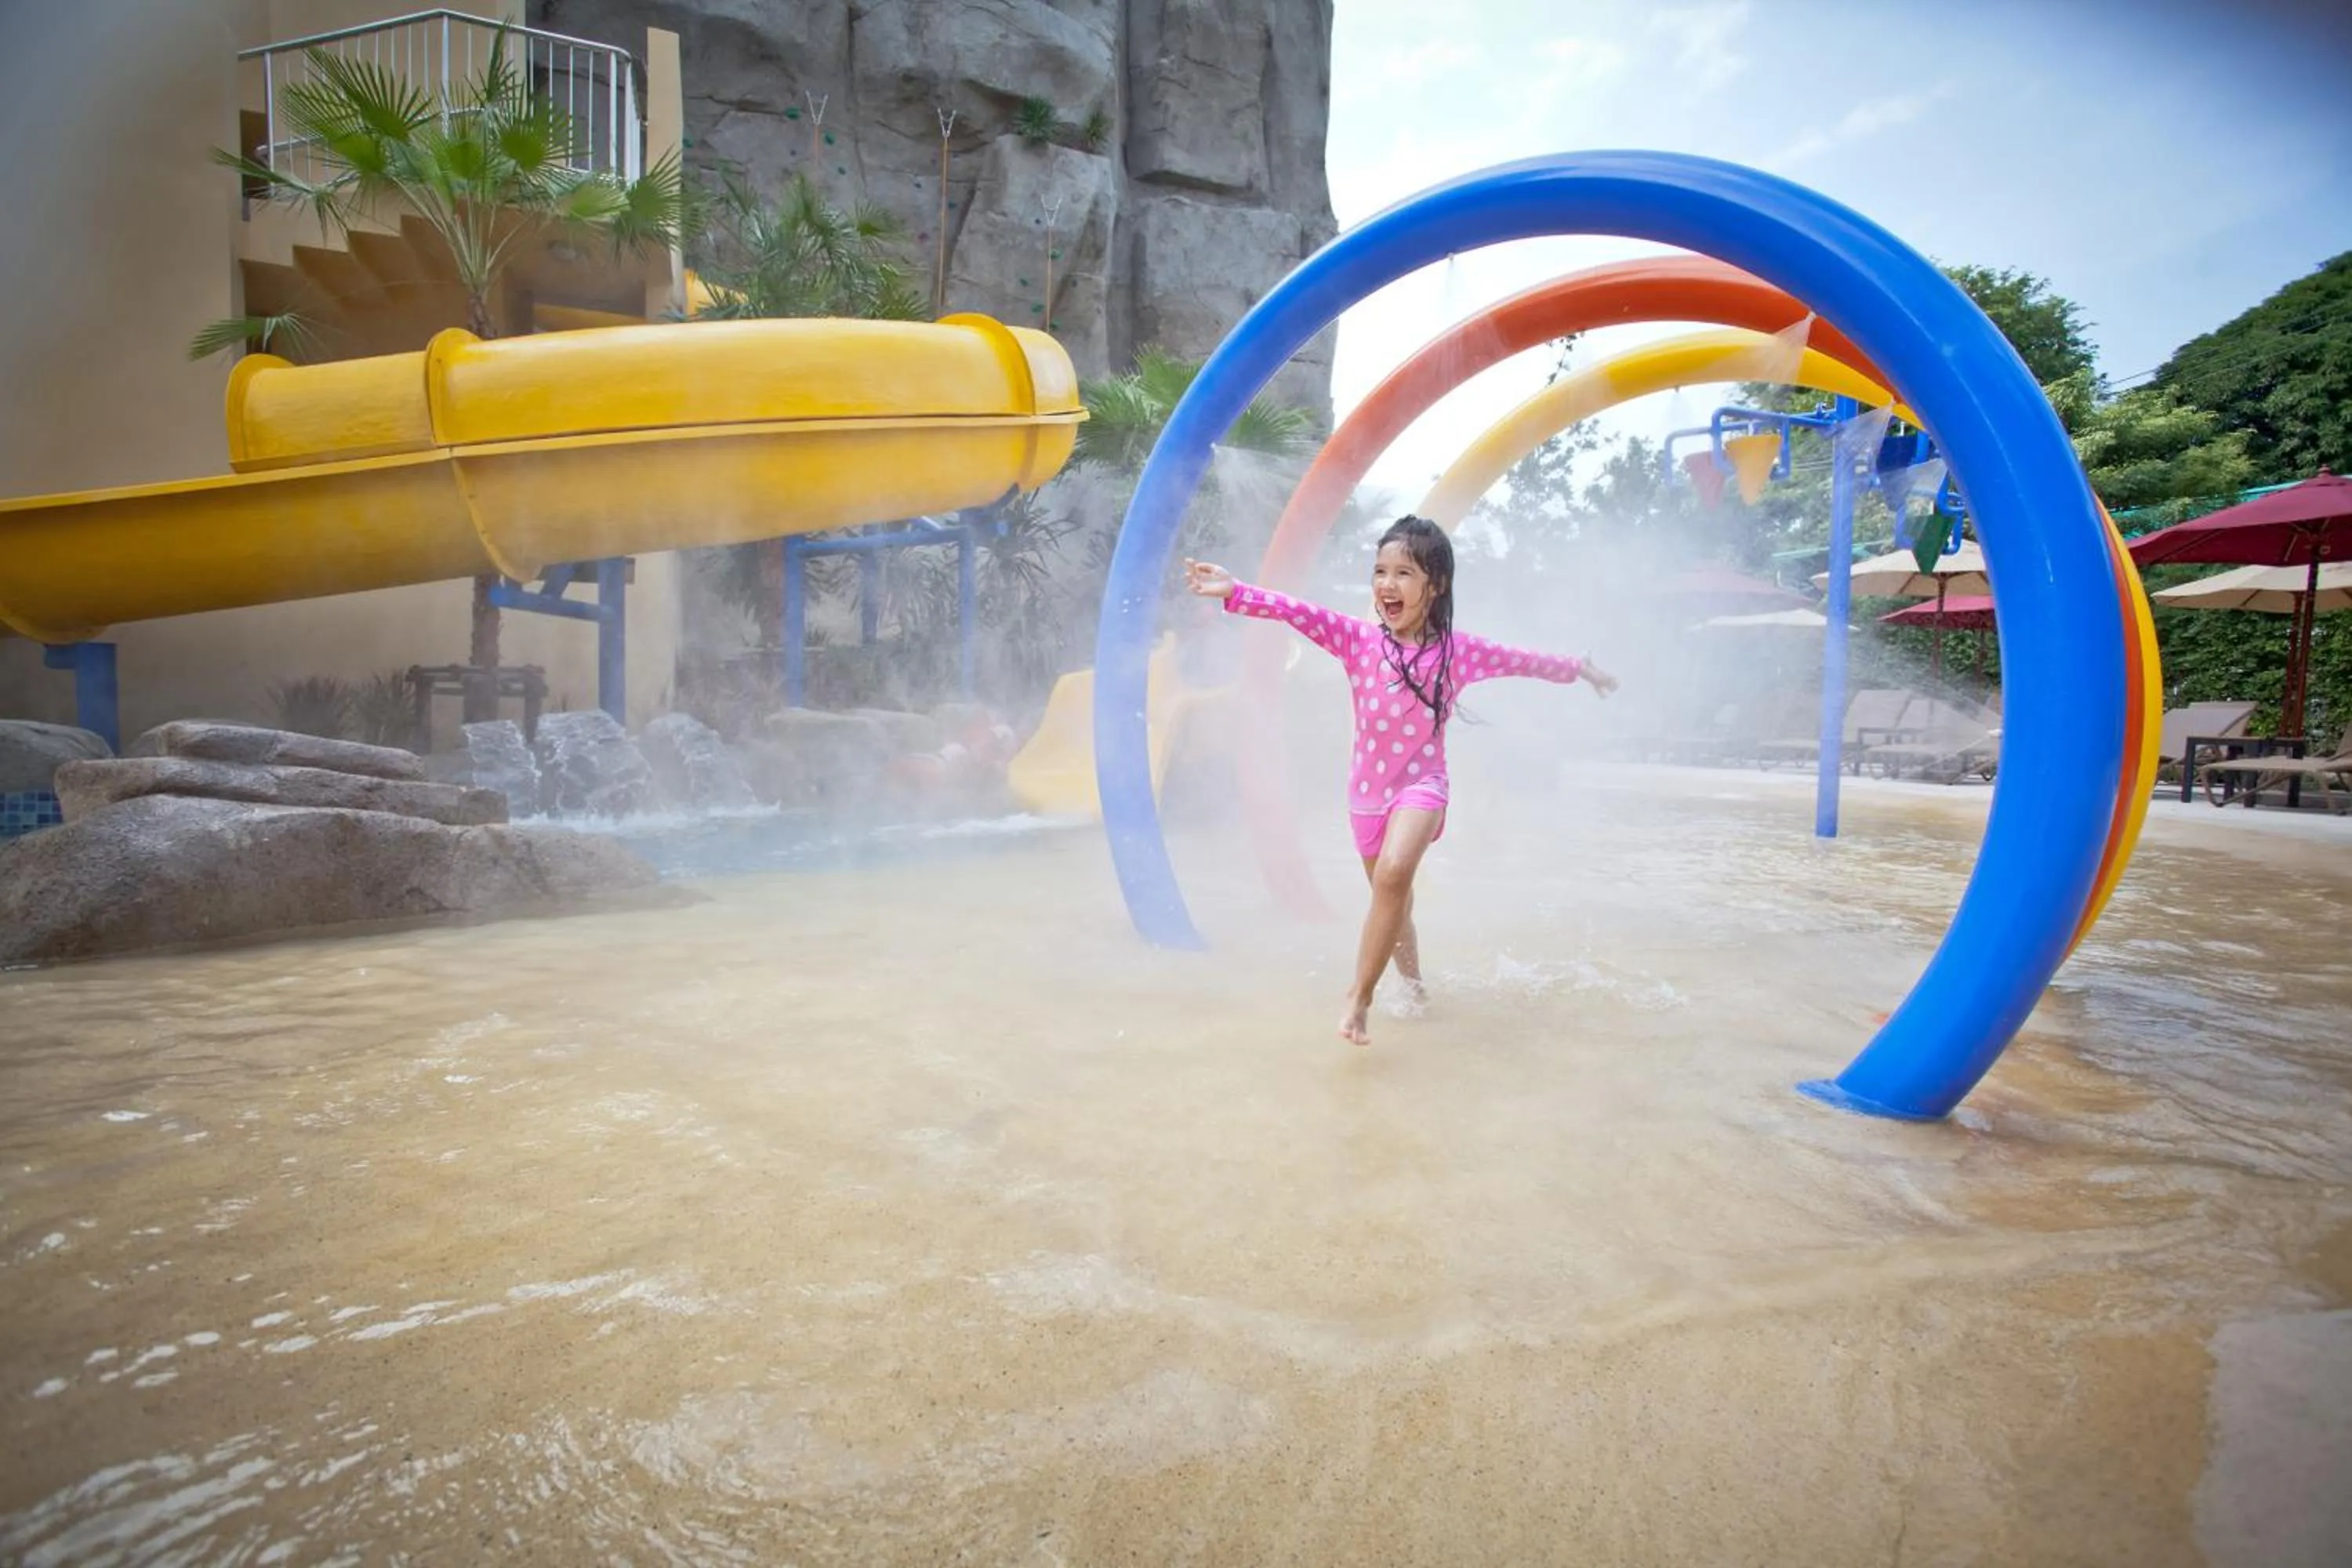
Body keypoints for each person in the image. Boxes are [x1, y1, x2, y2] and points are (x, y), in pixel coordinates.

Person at [1185, 514, 1617, 1046]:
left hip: (1423, 787)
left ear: (1434, 586)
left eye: (1404, 574)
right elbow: (1296, 612)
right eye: (1380, 572)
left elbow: (1521, 660)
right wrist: (1236, 591)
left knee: (1392, 878)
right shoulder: (1357, 640)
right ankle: (1413, 988)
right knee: (1396, 901)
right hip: (1366, 798)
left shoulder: (1457, 652)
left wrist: (1581, 667)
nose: (1387, 585)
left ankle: (1358, 998)